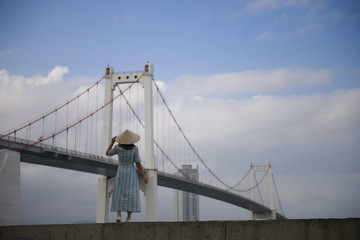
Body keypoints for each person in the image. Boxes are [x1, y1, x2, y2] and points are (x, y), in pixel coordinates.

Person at [106, 129, 148, 223]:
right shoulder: (135, 149)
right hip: (131, 173)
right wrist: (144, 175)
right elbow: (138, 163)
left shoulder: (118, 148)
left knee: (119, 192)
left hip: (121, 172)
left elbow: (107, 153)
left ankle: (118, 215)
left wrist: (112, 142)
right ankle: (128, 217)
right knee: (131, 193)